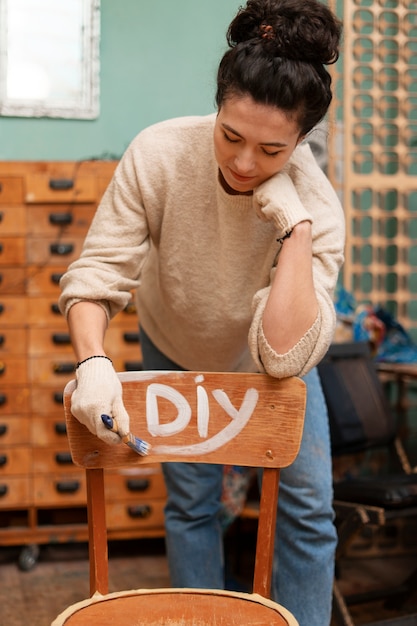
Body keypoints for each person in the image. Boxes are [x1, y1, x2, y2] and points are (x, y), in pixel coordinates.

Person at [59, 0, 344, 624]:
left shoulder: (317, 208)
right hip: (176, 338)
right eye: (230, 136)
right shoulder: (157, 153)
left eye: (271, 150)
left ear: (301, 142)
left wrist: (292, 225)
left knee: (308, 507)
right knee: (191, 501)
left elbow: (286, 351)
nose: (244, 164)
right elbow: (96, 274)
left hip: (273, 359)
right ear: (216, 106)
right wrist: (94, 361)